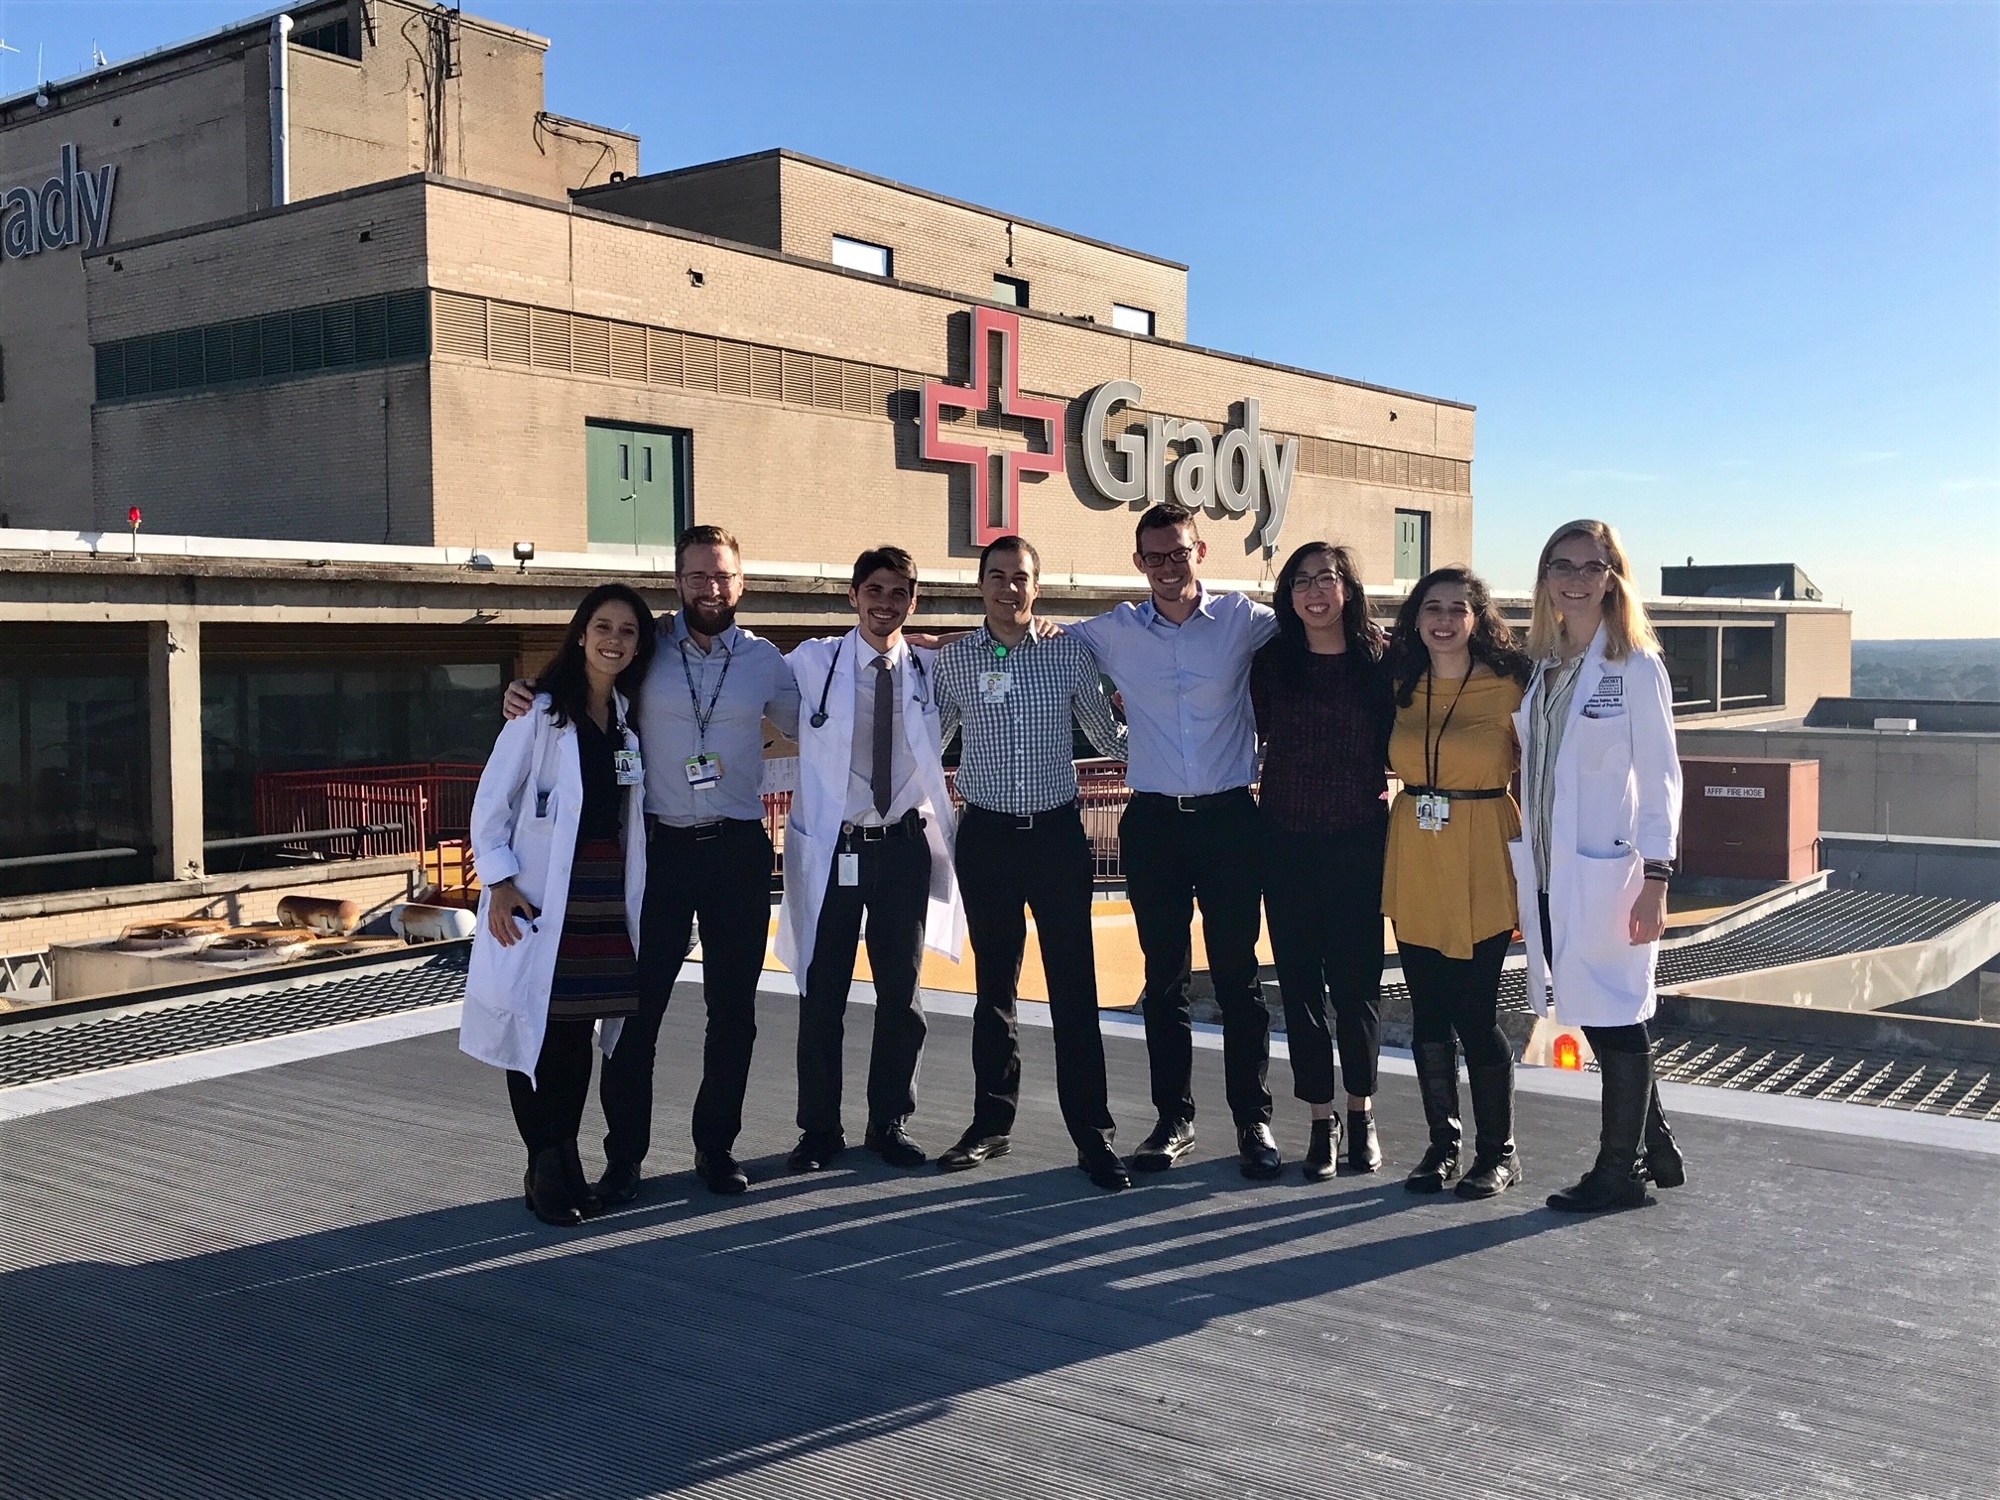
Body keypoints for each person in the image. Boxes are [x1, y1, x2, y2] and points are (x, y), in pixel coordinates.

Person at [505, 528, 799, 1201]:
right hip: (657, 852)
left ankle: (715, 1147)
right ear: (678, 581)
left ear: (741, 582)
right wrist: (526, 691)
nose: (710, 589)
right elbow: (584, 683)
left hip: (737, 852)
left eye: (721, 576)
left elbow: (822, 717)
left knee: (734, 1013)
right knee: (634, 1014)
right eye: (696, 576)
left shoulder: (765, 664)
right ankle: (624, 1157)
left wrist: (920, 657)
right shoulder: (646, 652)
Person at [1067, 502, 1282, 1180]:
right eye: (1154, 557)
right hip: (1154, 823)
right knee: (1163, 981)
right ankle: (1174, 1119)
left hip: (1229, 821)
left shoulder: (1246, 621)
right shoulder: (1113, 631)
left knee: (1238, 978)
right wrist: (934, 648)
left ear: (1201, 551)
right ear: (1138, 562)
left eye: (1178, 553)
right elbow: (1027, 637)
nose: (1167, 567)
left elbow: (1324, 629)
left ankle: (1254, 1121)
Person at [932, 534, 1132, 1192]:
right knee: (994, 990)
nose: (1008, 587)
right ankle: (990, 1123)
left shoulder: (1069, 653)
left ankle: (1094, 1135)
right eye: (997, 575)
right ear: (980, 585)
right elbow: (926, 742)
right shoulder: (957, 661)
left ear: (1036, 587)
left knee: (1075, 990)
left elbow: (1108, 739)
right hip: (985, 839)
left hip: (1054, 837)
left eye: (1020, 577)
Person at [462, 584, 655, 1227]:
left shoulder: (625, 717)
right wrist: (498, 882)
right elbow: (491, 804)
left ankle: (561, 1157)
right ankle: (547, 1162)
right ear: (580, 634)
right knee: (534, 1032)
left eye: (627, 632)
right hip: (541, 894)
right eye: (603, 626)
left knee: (574, 1036)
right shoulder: (540, 713)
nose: (614, 640)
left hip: (602, 891)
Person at [1512, 519, 1686, 1213]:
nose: (1577, 579)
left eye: (1592, 566)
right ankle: (1658, 1145)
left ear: (1614, 578)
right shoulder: (1545, 666)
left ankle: (1622, 1173)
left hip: (1611, 873)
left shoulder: (1635, 664)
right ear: (1546, 578)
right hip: (1555, 872)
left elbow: (1664, 775)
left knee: (1615, 1014)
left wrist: (1658, 877)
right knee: (1592, 1008)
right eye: (1564, 565)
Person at [778, 546, 963, 1172]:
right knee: (821, 993)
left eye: (899, 594)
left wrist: (1041, 625)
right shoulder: (813, 662)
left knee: (901, 995)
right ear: (853, 596)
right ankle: (819, 1131)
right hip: (834, 850)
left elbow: (1000, 640)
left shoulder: (932, 666)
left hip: (905, 849)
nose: (886, 604)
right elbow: (743, 669)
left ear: (913, 602)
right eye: (874, 591)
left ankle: (889, 1122)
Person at [1381, 565, 1532, 1200]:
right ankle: (1442, 1148)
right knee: (1428, 1014)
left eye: (1458, 609)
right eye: (1432, 607)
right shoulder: (1401, 684)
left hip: (1481, 847)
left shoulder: (1513, 684)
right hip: (1416, 848)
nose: (1444, 619)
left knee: (1475, 1011)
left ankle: (1497, 1152)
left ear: (1478, 619)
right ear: (1416, 619)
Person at [1251, 541, 1395, 1182]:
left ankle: (1362, 1113)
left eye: (1327, 579)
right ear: (1289, 594)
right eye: (1302, 580)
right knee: (1301, 990)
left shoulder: (1381, 662)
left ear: (1347, 588)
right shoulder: (1272, 663)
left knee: (1358, 988)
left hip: (1360, 843)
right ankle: (1320, 1120)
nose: (1315, 591)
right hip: (1284, 842)